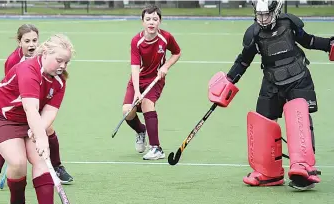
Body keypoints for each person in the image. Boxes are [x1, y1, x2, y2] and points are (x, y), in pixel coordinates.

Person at [207, 0, 334, 190]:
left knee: (299, 117)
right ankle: (268, 172)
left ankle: (304, 168)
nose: (263, 19)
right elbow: (243, 61)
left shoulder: (290, 23)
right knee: (262, 122)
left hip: (298, 78)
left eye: (266, 14)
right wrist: (229, 81)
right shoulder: (254, 34)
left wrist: (329, 45)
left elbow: (309, 41)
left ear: (276, 11)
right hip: (272, 82)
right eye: (260, 15)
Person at [0, 34, 74, 204]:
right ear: (45, 53)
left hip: (29, 118)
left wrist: (39, 129)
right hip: (2, 116)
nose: (62, 66)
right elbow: (30, 108)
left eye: (66, 62)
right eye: (59, 60)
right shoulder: (28, 69)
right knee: (17, 162)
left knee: (42, 160)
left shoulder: (59, 81)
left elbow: (50, 110)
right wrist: (41, 137)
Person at [122, 5, 181, 160]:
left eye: (155, 19)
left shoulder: (166, 37)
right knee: (127, 111)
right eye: (148, 19)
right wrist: (136, 91)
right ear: (142, 22)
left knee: (147, 103)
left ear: (160, 21)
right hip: (138, 80)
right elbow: (134, 68)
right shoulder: (136, 41)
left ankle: (156, 148)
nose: (151, 22)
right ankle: (141, 130)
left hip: (155, 79)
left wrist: (166, 66)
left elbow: (177, 52)